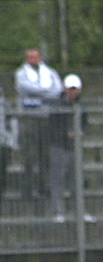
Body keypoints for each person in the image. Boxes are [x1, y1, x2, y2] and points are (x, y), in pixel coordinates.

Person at [14, 49, 62, 203]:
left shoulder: (50, 72)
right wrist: (45, 91)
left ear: (40, 57)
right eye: (29, 57)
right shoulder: (21, 73)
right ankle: (27, 190)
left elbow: (58, 90)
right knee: (28, 157)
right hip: (28, 120)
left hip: (45, 118)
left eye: (34, 57)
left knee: (45, 156)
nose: (32, 59)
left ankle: (44, 188)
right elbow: (24, 87)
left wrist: (39, 92)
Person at [48, 74, 85, 221]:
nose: (72, 92)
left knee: (76, 179)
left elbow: (85, 124)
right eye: (70, 89)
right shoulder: (57, 106)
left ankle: (78, 211)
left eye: (75, 89)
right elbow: (53, 127)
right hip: (59, 147)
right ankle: (57, 211)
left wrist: (81, 132)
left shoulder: (81, 106)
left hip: (74, 147)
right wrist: (66, 134)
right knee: (58, 179)